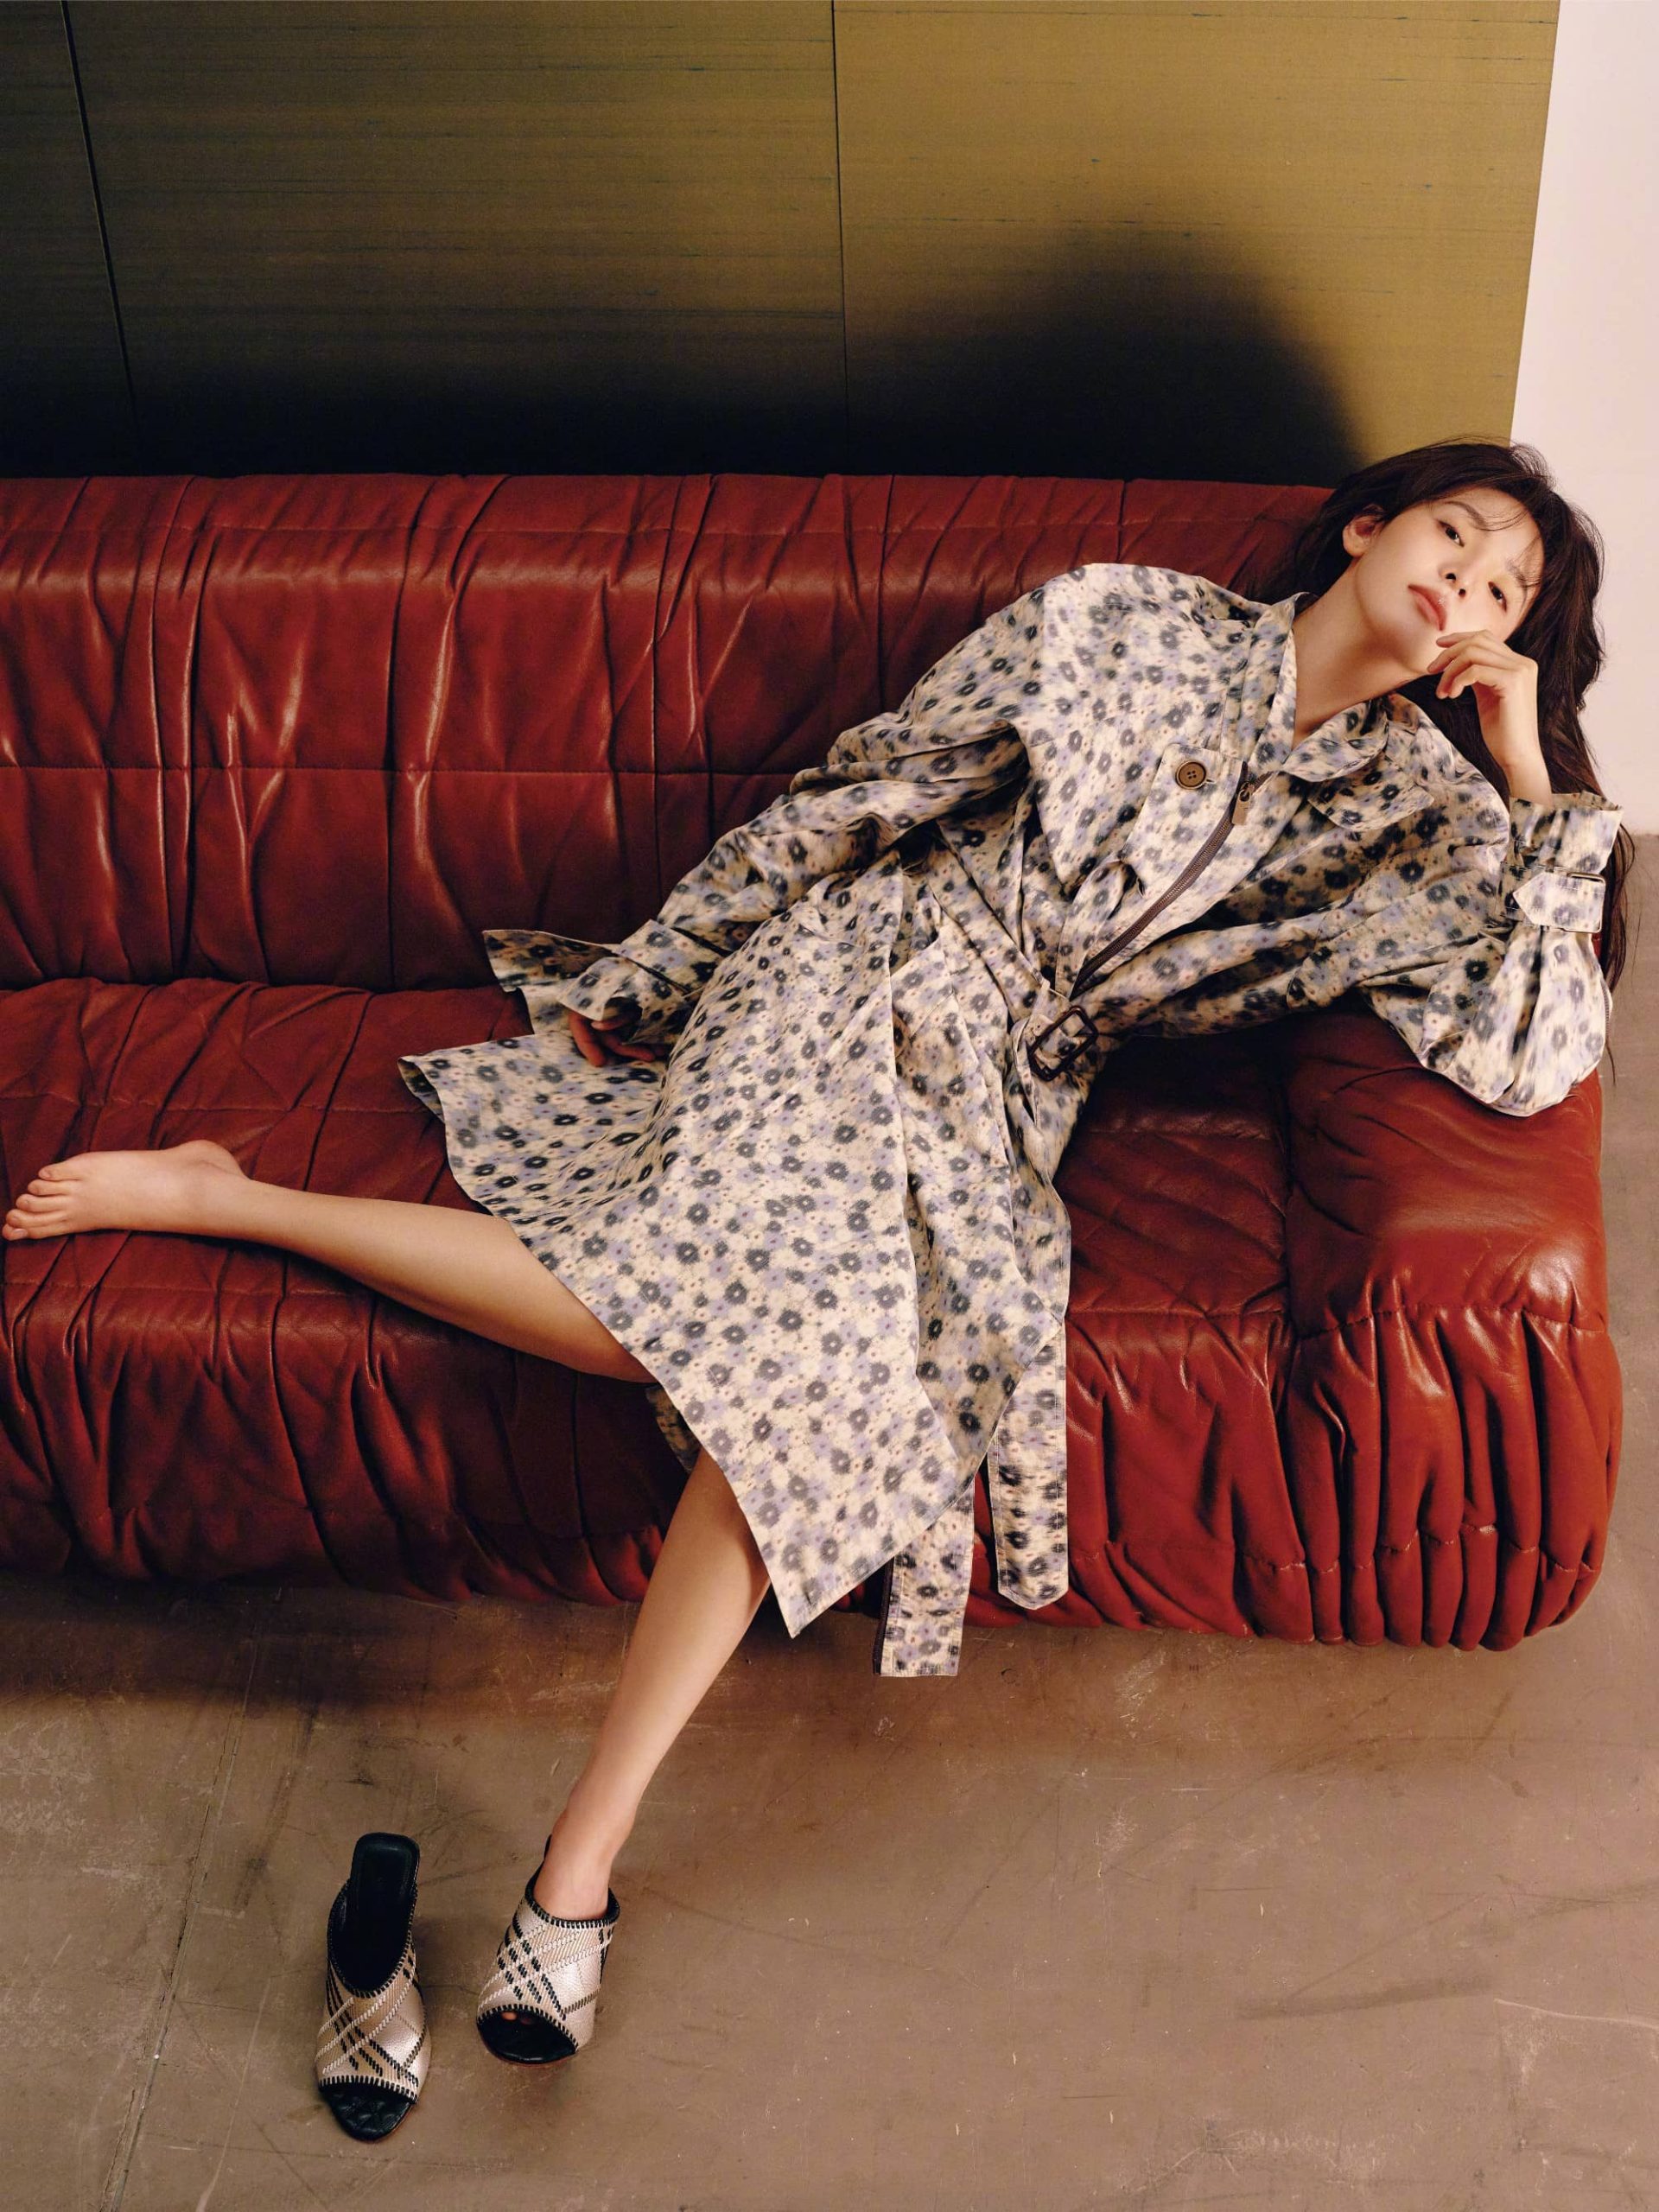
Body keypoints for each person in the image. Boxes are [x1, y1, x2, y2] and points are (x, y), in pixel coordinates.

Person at [0, 436, 1628, 2089]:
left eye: (1507, 592)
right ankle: (563, 1855)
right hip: (864, 963)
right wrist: (661, 971)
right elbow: (878, 783)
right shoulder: (1129, 621)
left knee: (785, 1385)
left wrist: (1530, 779)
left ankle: (569, 1848)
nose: (1466, 584)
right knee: (679, 1344)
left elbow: (1528, 1053)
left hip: (1009, 1076)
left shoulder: (1416, 815)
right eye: (1455, 534)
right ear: (1366, 528)